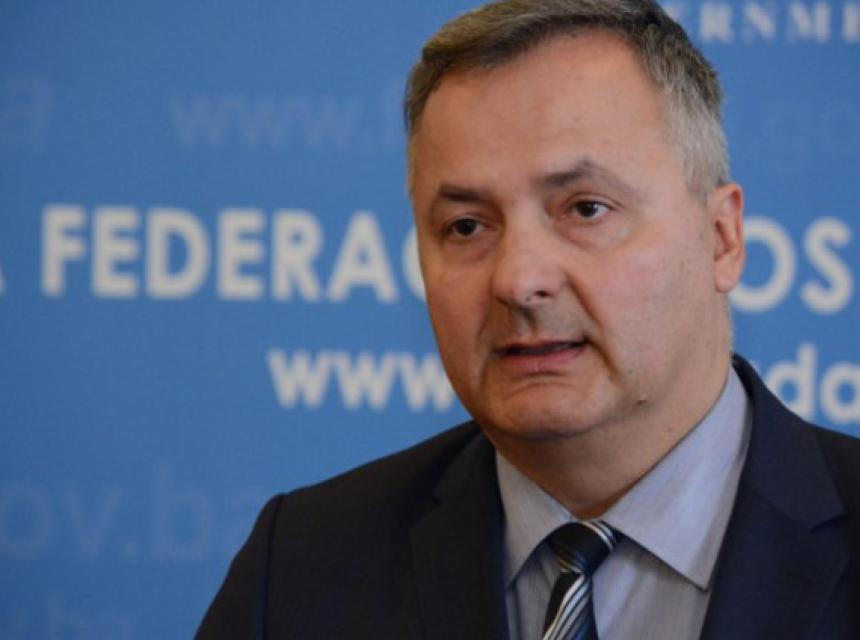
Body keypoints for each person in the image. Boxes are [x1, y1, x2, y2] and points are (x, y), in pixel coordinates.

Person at [196, 1, 860, 638]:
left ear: (721, 239)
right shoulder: (300, 570)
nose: (518, 281)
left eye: (586, 209)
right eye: (466, 226)